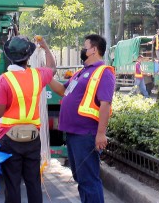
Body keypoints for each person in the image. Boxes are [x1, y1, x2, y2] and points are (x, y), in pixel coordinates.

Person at [0, 36, 61, 203]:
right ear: (28, 57)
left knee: (13, 184)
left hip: (9, 139)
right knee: (33, 182)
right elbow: (52, 68)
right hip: (33, 138)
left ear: (9, 56)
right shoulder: (38, 75)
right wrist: (45, 47)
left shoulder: (4, 80)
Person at [55, 34, 115, 203]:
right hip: (74, 133)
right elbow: (62, 90)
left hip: (86, 134)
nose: (82, 50)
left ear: (94, 50)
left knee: (88, 179)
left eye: (85, 47)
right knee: (80, 178)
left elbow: (105, 104)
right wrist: (45, 77)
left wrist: (101, 134)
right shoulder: (81, 72)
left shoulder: (103, 72)